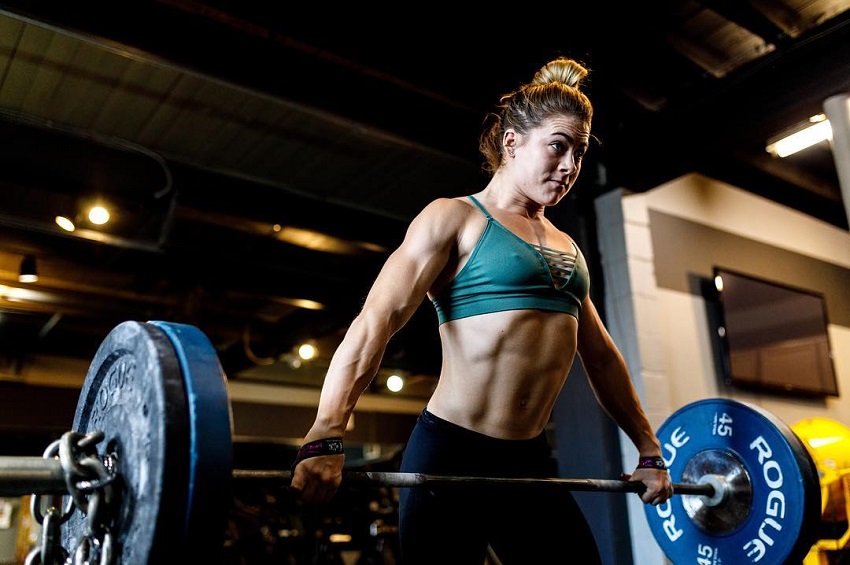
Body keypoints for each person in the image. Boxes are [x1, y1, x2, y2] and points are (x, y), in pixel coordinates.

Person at [290, 56, 674, 564]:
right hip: (450, 453)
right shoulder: (454, 218)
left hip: (529, 458)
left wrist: (649, 449)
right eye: (558, 147)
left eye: (578, 154)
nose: (569, 168)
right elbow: (374, 325)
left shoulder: (568, 247)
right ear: (512, 141)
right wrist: (327, 429)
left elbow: (601, 357)